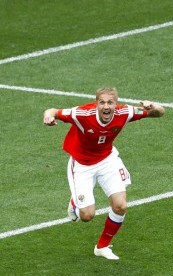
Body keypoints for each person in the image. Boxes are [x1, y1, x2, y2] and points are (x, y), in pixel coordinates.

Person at [43, 87, 165, 260]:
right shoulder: (82, 114)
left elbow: (159, 113)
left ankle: (102, 246)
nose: (106, 106)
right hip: (82, 165)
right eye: (102, 102)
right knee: (87, 216)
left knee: (120, 206)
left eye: (110, 102)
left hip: (107, 161)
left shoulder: (125, 112)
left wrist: (152, 105)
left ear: (116, 104)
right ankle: (75, 202)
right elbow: (53, 111)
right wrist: (48, 117)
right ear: (96, 103)